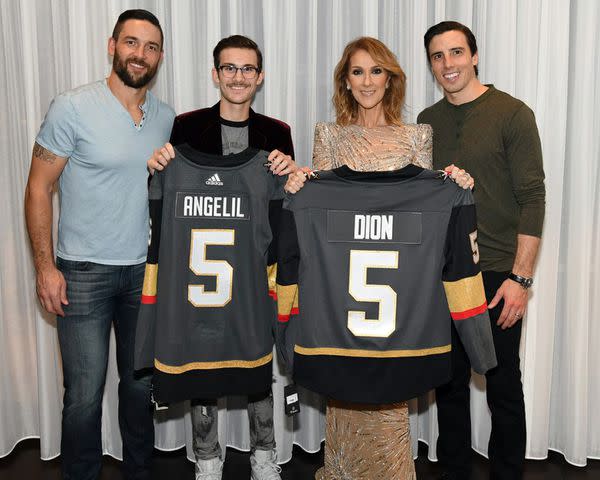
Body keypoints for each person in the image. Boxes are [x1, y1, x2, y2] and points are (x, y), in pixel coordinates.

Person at [284, 36, 474, 480]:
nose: (367, 81)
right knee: (343, 398)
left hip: (395, 301)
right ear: (345, 82)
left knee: (392, 405)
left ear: (390, 79)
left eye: (376, 71)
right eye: (357, 72)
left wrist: (455, 183)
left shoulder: (417, 137)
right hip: (343, 301)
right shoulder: (328, 136)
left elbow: (425, 210)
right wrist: (296, 187)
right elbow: (322, 213)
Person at [23, 9, 175, 479]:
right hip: (82, 274)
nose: (140, 54)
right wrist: (45, 269)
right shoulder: (72, 106)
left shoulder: (165, 118)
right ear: (112, 46)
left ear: (160, 57)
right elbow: (37, 188)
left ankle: (139, 471)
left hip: (143, 276)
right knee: (84, 395)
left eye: (150, 47)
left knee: (138, 389)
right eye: (131, 43)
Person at [146, 35, 296, 480]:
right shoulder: (187, 126)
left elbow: (287, 202)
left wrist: (294, 174)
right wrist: (157, 165)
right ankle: (207, 459)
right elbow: (170, 192)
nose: (238, 77)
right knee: (203, 361)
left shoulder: (278, 132)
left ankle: (264, 457)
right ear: (215, 74)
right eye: (229, 68)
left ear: (260, 76)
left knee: (257, 360)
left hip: (253, 268)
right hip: (203, 270)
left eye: (247, 69)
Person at [417, 21, 546, 480]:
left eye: (456, 53)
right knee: (447, 385)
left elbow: (533, 197)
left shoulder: (512, 113)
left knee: (503, 385)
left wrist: (521, 279)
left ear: (474, 55)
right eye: (437, 56)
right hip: (444, 273)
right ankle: (452, 471)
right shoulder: (426, 122)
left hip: (496, 273)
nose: (447, 64)